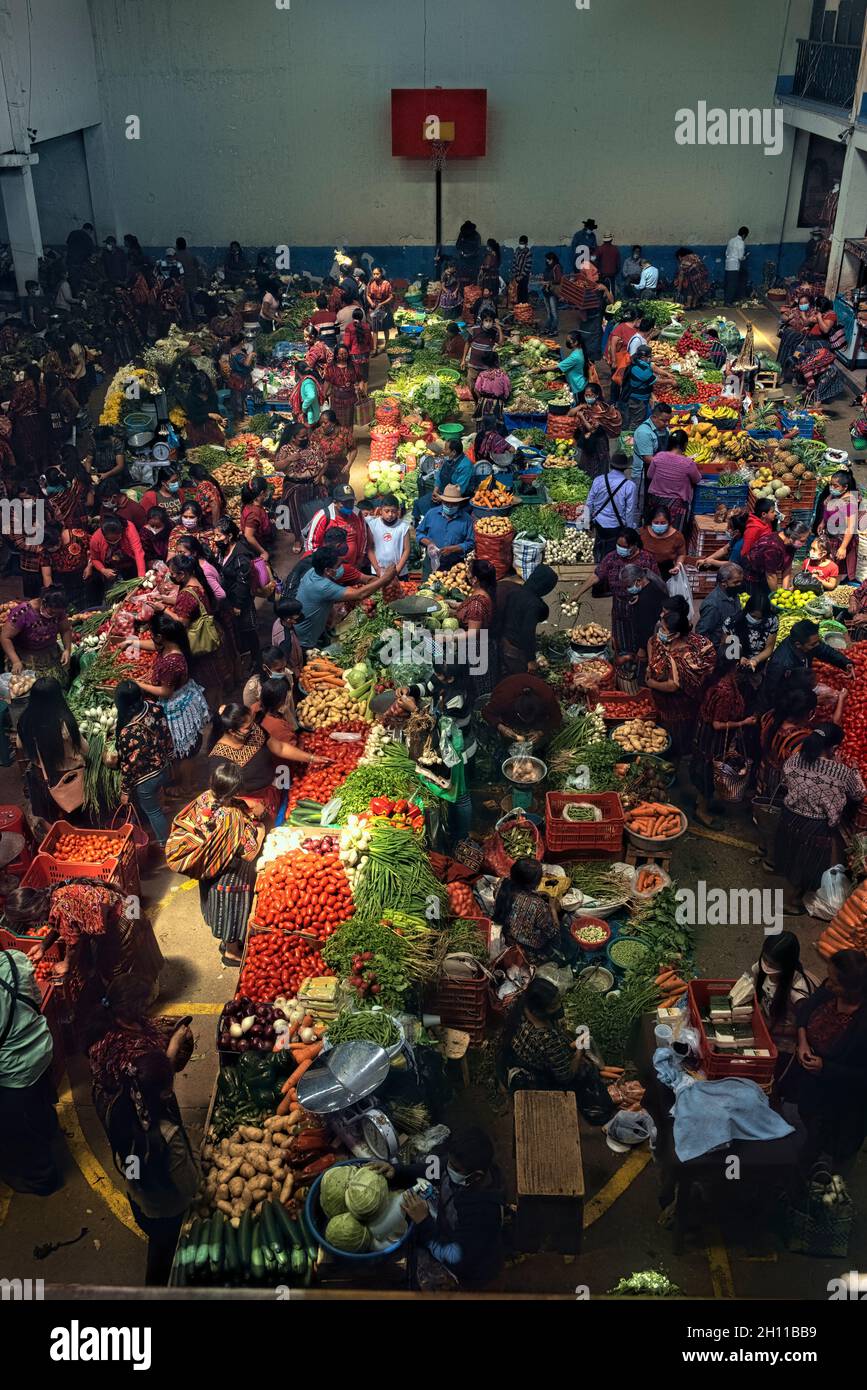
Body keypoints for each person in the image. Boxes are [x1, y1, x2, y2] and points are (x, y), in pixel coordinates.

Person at [102, 1048, 200, 1283]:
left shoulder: (118, 1114)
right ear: (166, 1094)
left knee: (156, 1240)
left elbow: (131, 1166)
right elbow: (190, 1185)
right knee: (162, 1254)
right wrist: (194, 1146)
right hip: (168, 1212)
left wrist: (139, 1186)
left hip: (139, 1203)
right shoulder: (168, 1136)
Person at [373, 1126, 503, 1291]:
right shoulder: (456, 1167)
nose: (449, 1168)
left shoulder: (482, 1215)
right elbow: (431, 1169)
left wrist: (424, 1221)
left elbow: (456, 1259)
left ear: (476, 1176)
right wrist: (396, 1172)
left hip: (465, 1269)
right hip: (444, 1229)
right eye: (449, 1162)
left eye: (455, 1168)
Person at [10, 877, 163, 1017]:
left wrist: (67, 964)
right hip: (129, 908)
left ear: (31, 915)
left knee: (120, 968)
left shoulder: (61, 908)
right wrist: (44, 945)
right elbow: (64, 924)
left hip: (125, 922)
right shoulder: (54, 894)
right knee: (127, 959)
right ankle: (144, 987)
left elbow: (74, 942)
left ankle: (141, 1000)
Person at [499, 976, 617, 1127]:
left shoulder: (521, 1006)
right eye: (553, 1005)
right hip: (532, 1077)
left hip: (511, 1058)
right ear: (539, 1010)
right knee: (586, 1071)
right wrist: (580, 1049)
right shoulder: (548, 1039)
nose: (559, 1006)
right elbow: (565, 1076)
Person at [772, 724, 865, 912]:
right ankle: (793, 902)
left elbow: (786, 773)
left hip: (789, 816)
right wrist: (854, 770)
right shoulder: (841, 772)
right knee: (808, 863)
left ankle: (787, 885)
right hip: (815, 827)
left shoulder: (795, 759)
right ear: (834, 748)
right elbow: (859, 793)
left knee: (791, 853)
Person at [795, 948, 867, 1167]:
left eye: (834, 982)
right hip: (813, 1084)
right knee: (808, 1123)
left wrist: (825, 1068)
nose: (827, 984)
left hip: (842, 1100)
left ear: (852, 988)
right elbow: (806, 1011)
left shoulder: (862, 1024)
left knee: (825, 1145)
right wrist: (803, 1042)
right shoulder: (830, 990)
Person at [0, 945, 60, 1195]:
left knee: (18, 1128)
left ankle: (41, 1178)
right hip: (42, 1048)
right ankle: (49, 1127)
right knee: (40, 1101)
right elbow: (35, 999)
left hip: (15, 1072)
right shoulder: (14, 959)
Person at [208, 702, 328, 822]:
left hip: (271, 793)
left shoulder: (254, 731)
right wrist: (251, 806)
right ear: (233, 732)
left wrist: (312, 758)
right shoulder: (219, 758)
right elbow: (221, 795)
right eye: (247, 728)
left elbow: (280, 748)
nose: (253, 727)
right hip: (249, 807)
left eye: (252, 723)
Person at [134, 614, 209, 784]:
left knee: (185, 753)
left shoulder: (172, 661)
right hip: (182, 695)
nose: (152, 638)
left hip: (176, 703)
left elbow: (165, 691)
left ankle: (186, 786)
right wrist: (133, 642)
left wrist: (139, 684)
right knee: (180, 750)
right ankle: (181, 780)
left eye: (152, 634)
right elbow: (154, 646)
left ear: (161, 637)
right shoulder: (170, 644)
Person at [645, 595, 717, 757]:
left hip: (682, 705)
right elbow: (652, 641)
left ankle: (680, 755)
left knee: (679, 734)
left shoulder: (687, 656)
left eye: (664, 629)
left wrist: (652, 684)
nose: (660, 632)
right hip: (664, 706)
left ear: (676, 634)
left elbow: (673, 685)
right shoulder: (664, 641)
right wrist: (651, 663)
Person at [107, 680, 175, 846]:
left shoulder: (127, 733)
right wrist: (170, 757)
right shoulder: (155, 707)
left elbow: (128, 767)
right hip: (164, 766)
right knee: (157, 798)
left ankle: (164, 843)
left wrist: (124, 791)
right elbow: (166, 734)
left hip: (147, 778)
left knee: (153, 811)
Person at [749, 933, 818, 1095]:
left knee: (774, 1084)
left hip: (785, 1046)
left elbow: (808, 1028)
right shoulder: (761, 970)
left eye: (772, 963)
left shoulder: (799, 992)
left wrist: (771, 1029)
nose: (766, 965)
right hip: (767, 1032)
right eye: (765, 959)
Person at [573, 528, 661, 655]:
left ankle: (640, 659)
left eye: (624, 546)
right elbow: (596, 575)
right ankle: (623, 660)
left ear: (634, 545)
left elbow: (656, 582)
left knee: (641, 635)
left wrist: (642, 596)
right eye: (618, 545)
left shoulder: (646, 559)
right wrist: (577, 594)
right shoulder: (611, 557)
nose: (620, 549)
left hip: (641, 605)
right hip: (619, 605)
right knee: (621, 637)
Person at [689, 666, 758, 826]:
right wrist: (743, 722)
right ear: (732, 669)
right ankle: (702, 812)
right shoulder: (724, 692)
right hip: (712, 740)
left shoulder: (715, 678)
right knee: (708, 771)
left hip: (703, 735)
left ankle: (702, 803)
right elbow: (718, 724)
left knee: (706, 769)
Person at [15, 676, 86, 824]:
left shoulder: (25, 721)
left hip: (41, 776)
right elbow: (86, 749)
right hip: (67, 778)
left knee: (51, 816)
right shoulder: (64, 723)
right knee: (73, 819)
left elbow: (20, 745)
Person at [294, 547, 395, 650]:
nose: (341, 567)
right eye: (338, 565)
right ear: (328, 570)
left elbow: (361, 579)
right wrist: (385, 578)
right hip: (305, 639)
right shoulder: (322, 587)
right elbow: (360, 594)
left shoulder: (313, 572)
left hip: (314, 628)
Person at [761, 619, 853, 711]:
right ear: (798, 645)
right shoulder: (781, 664)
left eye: (818, 642)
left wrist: (845, 662)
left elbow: (824, 650)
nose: (817, 645)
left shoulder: (808, 644)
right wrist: (812, 700)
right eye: (813, 644)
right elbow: (777, 696)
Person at [756, 681, 821, 798]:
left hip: (764, 777)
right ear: (811, 713)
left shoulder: (770, 717)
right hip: (783, 790)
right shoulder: (802, 739)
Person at [273, 422, 327, 550]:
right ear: (293, 437)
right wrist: (289, 459)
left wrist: (319, 476)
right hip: (295, 486)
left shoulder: (314, 446)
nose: (305, 438)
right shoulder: (286, 449)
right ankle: (298, 539)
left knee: (316, 513)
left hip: (313, 484)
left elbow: (325, 462)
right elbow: (277, 466)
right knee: (296, 515)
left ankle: (315, 537)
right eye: (301, 437)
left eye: (306, 436)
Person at [493, 859, 559, 962]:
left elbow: (516, 896)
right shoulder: (537, 905)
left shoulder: (502, 883)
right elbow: (552, 932)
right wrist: (553, 908)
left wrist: (535, 894)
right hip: (528, 945)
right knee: (562, 935)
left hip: (508, 932)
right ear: (533, 884)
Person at [497, 564, 558, 675]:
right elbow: (527, 632)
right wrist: (531, 660)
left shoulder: (515, 591)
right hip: (515, 648)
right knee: (520, 681)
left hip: (504, 641)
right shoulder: (534, 605)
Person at [1, 587, 72, 679]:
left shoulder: (58, 611)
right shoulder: (22, 612)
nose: (54, 615)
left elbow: (65, 629)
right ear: (43, 602)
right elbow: (5, 637)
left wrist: (67, 649)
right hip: (27, 659)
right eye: (51, 612)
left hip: (50, 655)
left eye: (57, 613)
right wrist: (16, 661)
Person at [452, 558, 498, 699]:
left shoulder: (477, 604)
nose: (466, 575)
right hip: (482, 648)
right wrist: (454, 605)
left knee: (480, 691)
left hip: (477, 652)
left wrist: (446, 638)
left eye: (469, 573)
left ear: (475, 579)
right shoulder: (484, 593)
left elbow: (472, 633)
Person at [482, 674, 563, 750]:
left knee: (541, 739)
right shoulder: (504, 699)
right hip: (507, 693)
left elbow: (557, 717)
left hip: (537, 709)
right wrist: (502, 728)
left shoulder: (547, 697)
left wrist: (540, 732)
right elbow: (486, 712)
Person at [584, 452, 639, 559]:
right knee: (613, 554)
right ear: (626, 468)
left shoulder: (598, 480)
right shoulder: (630, 486)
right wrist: (629, 530)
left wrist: (587, 522)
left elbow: (589, 503)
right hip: (616, 527)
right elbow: (629, 511)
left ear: (611, 465)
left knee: (600, 547)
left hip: (599, 524)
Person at [646, 428, 701, 534]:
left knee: (654, 531)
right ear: (685, 445)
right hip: (676, 504)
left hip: (655, 501)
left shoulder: (659, 457)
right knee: (673, 534)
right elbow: (697, 479)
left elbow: (649, 475)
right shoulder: (688, 463)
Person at [617, 564, 668, 673]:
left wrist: (642, 648)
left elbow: (646, 626)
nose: (627, 589)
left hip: (651, 639)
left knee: (648, 668)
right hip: (655, 634)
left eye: (628, 586)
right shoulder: (653, 583)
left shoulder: (646, 601)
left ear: (638, 581)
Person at [415, 484, 475, 576]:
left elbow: (471, 543)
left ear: (459, 503)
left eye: (453, 503)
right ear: (442, 501)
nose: (450, 506)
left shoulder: (466, 520)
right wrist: (429, 543)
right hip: (431, 562)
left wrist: (453, 549)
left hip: (455, 566)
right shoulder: (431, 514)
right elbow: (419, 533)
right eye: (447, 503)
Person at [86, 513, 145, 603]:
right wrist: (103, 570)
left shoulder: (129, 528)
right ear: (103, 535)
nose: (114, 542)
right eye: (110, 541)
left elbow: (138, 552)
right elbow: (95, 559)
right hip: (112, 570)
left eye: (116, 539)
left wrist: (141, 577)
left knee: (136, 595)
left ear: (121, 532)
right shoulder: (96, 538)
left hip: (130, 565)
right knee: (114, 598)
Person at [307, 484, 369, 568]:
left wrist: (360, 560)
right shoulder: (323, 516)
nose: (349, 505)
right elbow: (312, 545)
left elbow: (363, 537)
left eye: (351, 501)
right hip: (330, 568)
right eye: (345, 503)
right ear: (335, 502)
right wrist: (320, 567)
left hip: (353, 566)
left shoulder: (357, 513)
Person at [815, 469, 860, 583]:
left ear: (845, 487)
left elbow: (851, 527)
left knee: (838, 570)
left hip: (843, 539)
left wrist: (843, 547)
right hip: (831, 535)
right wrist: (822, 523)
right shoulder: (834, 495)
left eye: (836, 486)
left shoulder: (850, 502)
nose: (832, 488)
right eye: (831, 485)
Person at [569, 384, 622, 477]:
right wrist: (580, 406)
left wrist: (582, 418)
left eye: (591, 395)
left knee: (598, 466)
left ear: (597, 395)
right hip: (588, 442)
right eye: (586, 395)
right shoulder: (586, 406)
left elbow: (592, 429)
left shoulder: (600, 409)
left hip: (599, 442)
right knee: (587, 464)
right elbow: (570, 413)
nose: (588, 397)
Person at [721, 588, 778, 673]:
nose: (755, 620)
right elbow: (725, 647)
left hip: (759, 663)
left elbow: (769, 648)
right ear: (747, 610)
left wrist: (756, 660)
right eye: (753, 616)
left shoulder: (771, 621)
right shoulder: (732, 622)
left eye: (759, 618)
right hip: (734, 663)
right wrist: (738, 659)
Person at [631, 401, 671, 509]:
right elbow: (648, 459)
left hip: (658, 473)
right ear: (654, 417)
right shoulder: (644, 432)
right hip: (643, 476)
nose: (667, 424)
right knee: (640, 505)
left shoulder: (664, 429)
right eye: (664, 421)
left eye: (669, 420)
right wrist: (671, 464)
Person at [367, 494, 411, 578]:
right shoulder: (373, 525)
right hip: (378, 571)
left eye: (393, 511)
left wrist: (397, 570)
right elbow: (370, 548)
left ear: (398, 511)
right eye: (386, 511)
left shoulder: (403, 526)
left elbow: (407, 550)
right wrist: (377, 569)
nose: (390, 514)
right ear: (380, 510)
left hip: (399, 572)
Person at [461, 307, 504, 394]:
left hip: (486, 368)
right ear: (482, 321)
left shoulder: (494, 332)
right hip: (473, 365)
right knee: (471, 388)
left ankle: (480, 405)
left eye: (490, 321)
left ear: (493, 322)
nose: (488, 323)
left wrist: (499, 330)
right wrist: (463, 359)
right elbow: (467, 344)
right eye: (486, 320)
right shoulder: (474, 330)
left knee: (483, 389)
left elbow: (501, 343)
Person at [640, 502, 686, 580]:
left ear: (669, 522)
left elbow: (681, 554)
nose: (659, 525)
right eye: (656, 523)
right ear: (651, 522)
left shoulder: (677, 536)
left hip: (666, 572)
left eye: (663, 523)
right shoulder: (643, 532)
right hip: (644, 570)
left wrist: (677, 566)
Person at [618, 344, 657, 429]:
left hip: (637, 399)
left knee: (634, 420)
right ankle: (632, 438)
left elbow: (653, 367)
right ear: (643, 357)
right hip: (637, 400)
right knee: (636, 422)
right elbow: (655, 380)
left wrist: (667, 374)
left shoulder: (639, 362)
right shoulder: (639, 369)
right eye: (649, 356)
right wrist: (670, 381)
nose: (650, 358)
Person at [183, 370, 225, 448]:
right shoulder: (190, 398)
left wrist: (221, 420)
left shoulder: (212, 395)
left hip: (211, 427)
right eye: (200, 393)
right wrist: (209, 415)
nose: (203, 395)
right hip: (196, 428)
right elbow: (194, 419)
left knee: (219, 446)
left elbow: (216, 411)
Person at [239, 476, 274, 564]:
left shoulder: (251, 504)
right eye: (266, 491)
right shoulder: (254, 513)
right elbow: (248, 536)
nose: (268, 492)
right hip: (255, 549)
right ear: (262, 493)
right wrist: (263, 552)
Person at [224, 332, 254, 419]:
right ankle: (241, 419)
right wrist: (251, 355)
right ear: (241, 342)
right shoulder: (238, 354)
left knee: (237, 399)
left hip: (235, 378)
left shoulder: (233, 350)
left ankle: (239, 417)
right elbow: (246, 364)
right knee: (241, 399)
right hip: (241, 379)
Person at [367, 267, 395, 353]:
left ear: (381, 274)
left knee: (385, 327)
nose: (375, 276)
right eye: (374, 274)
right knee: (375, 328)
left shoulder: (386, 284)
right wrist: (371, 302)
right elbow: (368, 295)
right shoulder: (371, 283)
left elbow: (391, 296)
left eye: (377, 274)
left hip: (384, 308)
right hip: (375, 308)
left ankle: (387, 345)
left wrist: (382, 303)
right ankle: (375, 348)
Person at [343, 306, 374, 381]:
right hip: (365, 353)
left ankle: (358, 392)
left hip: (354, 355)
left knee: (356, 376)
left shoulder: (349, 327)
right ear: (362, 316)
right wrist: (372, 349)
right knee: (365, 376)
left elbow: (346, 343)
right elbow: (370, 340)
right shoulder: (367, 326)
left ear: (353, 316)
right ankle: (364, 392)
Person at [557, 332, 588, 400]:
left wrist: (541, 369)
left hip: (577, 386)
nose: (567, 342)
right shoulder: (580, 350)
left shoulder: (575, 356)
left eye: (569, 340)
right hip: (581, 382)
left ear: (576, 342)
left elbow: (558, 366)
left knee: (578, 403)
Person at [724, 226, 749, 304]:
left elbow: (726, 253)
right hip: (734, 266)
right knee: (732, 285)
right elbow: (740, 257)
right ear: (744, 235)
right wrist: (746, 256)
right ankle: (728, 302)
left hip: (727, 264)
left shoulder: (731, 240)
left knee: (728, 284)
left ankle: (726, 300)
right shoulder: (741, 242)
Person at [541, 251, 563, 333]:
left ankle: (554, 329)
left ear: (553, 260)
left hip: (552, 292)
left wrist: (548, 282)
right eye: (547, 260)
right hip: (546, 292)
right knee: (549, 312)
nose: (547, 261)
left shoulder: (557, 267)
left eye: (549, 260)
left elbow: (558, 279)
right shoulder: (547, 268)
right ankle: (548, 327)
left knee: (554, 312)